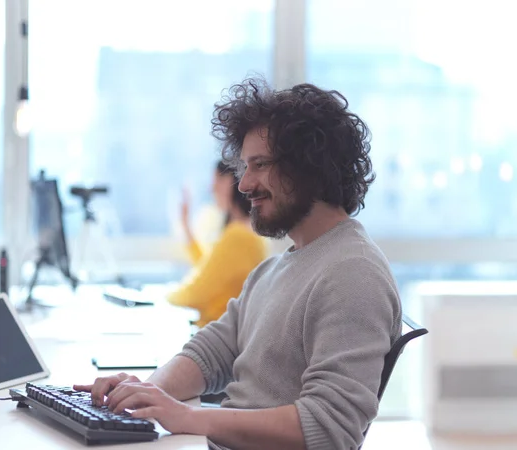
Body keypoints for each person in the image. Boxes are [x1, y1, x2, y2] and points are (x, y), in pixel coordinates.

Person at [75, 78, 403, 450]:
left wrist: (187, 417)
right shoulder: (277, 269)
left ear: (309, 167)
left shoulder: (352, 273)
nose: (244, 184)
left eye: (259, 165)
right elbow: (212, 352)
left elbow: (328, 428)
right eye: (245, 167)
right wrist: (146, 392)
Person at [167, 160, 267, 327]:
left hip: (218, 333)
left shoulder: (238, 236)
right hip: (220, 330)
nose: (212, 188)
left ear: (230, 182)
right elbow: (210, 269)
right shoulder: (243, 231)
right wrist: (186, 227)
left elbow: (197, 292)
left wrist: (162, 298)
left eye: (217, 180)